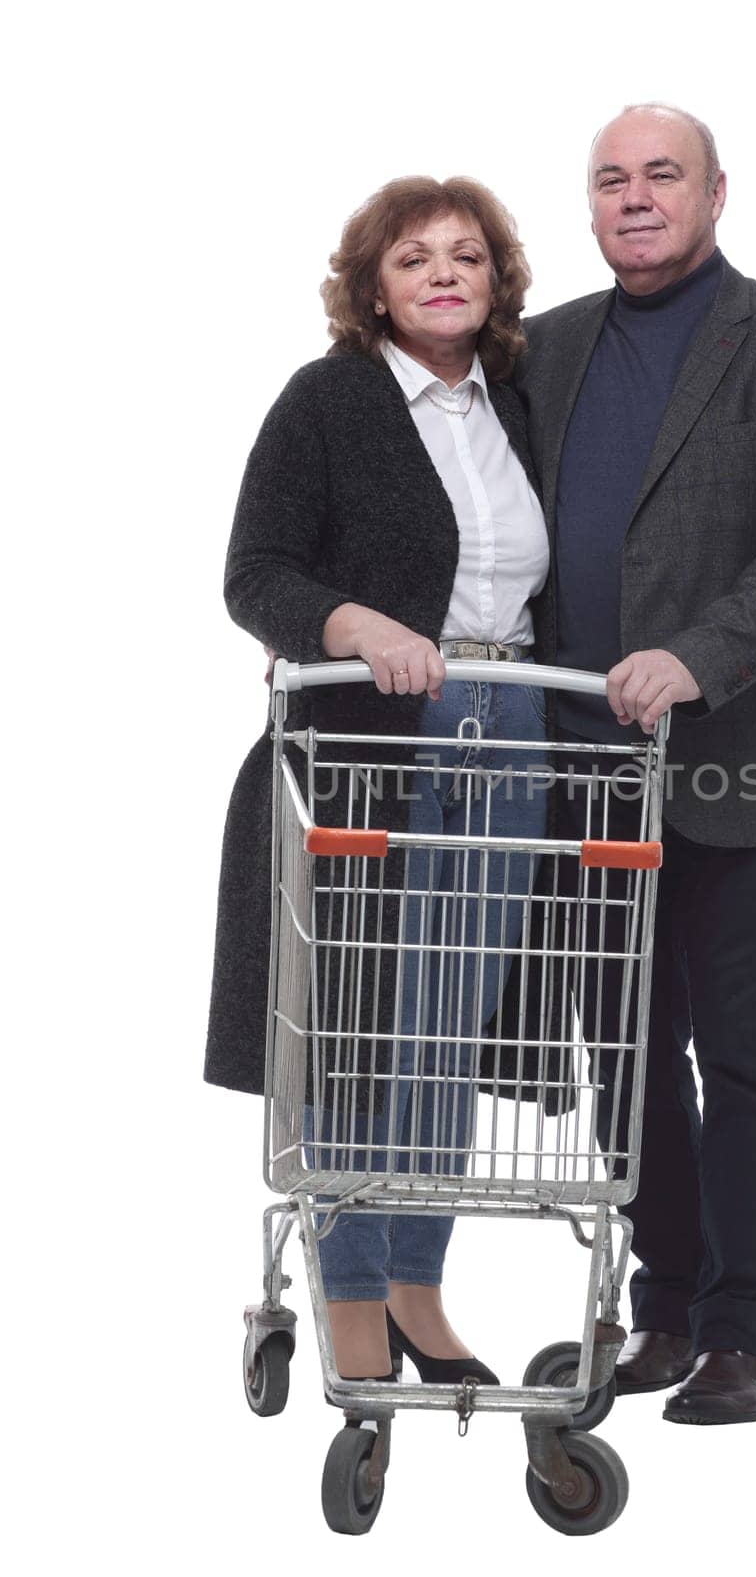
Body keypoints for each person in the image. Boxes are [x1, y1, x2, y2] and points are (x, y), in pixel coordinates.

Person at [514, 103, 756, 1423]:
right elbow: (491, 530)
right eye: (608, 179)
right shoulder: (541, 349)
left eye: (657, 175)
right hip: (581, 762)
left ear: (714, 193)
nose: (632, 198)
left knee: (739, 1050)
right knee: (621, 1049)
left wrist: (697, 655)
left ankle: (743, 1331)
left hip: (742, 751)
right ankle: (662, 1306)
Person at [205, 176, 551, 1385]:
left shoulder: (518, 401)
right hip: (375, 732)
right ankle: (350, 1290)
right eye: (414, 258)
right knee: (353, 1019)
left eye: (468, 255)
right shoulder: (330, 400)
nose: (444, 273)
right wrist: (348, 620)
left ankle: (417, 1282)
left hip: (517, 730)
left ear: (498, 283)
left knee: (446, 1027)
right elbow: (255, 573)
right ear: (372, 287)